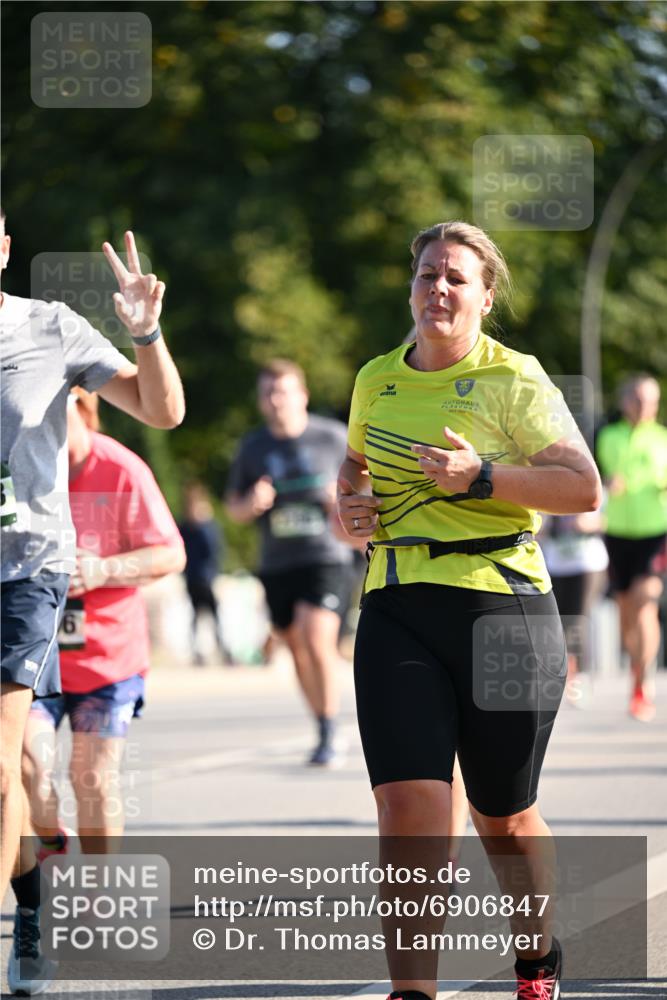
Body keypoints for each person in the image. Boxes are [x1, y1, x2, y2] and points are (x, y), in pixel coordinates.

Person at [337, 221, 601, 1000]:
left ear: (485, 298)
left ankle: (535, 959)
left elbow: (582, 488)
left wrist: (481, 476)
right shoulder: (375, 379)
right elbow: (354, 468)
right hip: (395, 603)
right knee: (409, 809)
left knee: (503, 818)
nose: (438, 289)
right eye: (427, 274)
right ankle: (411, 992)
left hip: (501, 611)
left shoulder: (513, 379)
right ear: (410, 287)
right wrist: (346, 506)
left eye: (456, 277)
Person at [1, 209, 184, 996]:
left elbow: (163, 411)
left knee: (33, 768)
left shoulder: (49, 329)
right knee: (27, 774)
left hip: (30, 581)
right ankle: (34, 895)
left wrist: (146, 334)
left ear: (3, 246)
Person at [22, 388, 185, 858]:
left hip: (107, 662)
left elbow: (170, 554)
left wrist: (103, 569)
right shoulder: (20, 469)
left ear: (79, 402)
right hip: (34, 656)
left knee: (91, 777)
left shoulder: (120, 469)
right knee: (25, 765)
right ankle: (49, 836)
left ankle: (98, 888)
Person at [226, 359, 355, 766]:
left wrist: (342, 500)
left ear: (303, 395)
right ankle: (321, 722)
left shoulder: (332, 437)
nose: (276, 400)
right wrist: (252, 503)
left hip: (327, 556)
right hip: (278, 562)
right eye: (268, 393)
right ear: (260, 401)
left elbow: (368, 486)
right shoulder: (253, 447)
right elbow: (233, 508)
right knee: (296, 645)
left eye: (283, 391)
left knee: (315, 636)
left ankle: (330, 729)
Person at [596, 374, 667, 722]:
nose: (644, 407)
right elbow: (600, 477)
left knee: (645, 603)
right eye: (638, 399)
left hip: (655, 533)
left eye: (651, 401)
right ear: (625, 401)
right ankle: (636, 668)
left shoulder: (663, 439)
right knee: (626, 612)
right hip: (617, 533)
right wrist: (609, 483)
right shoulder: (608, 436)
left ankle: (642, 681)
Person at [540, 511, 608, 706]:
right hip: (555, 563)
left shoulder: (596, 491)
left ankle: (580, 678)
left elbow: (608, 519)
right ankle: (566, 674)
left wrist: (589, 523)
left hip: (587, 563)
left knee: (578, 619)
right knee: (558, 622)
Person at [179, 482, 230, 665]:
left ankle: (223, 650)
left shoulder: (208, 527)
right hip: (193, 578)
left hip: (207, 578)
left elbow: (214, 550)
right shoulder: (186, 528)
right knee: (195, 617)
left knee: (215, 616)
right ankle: (196, 652)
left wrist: (203, 525)